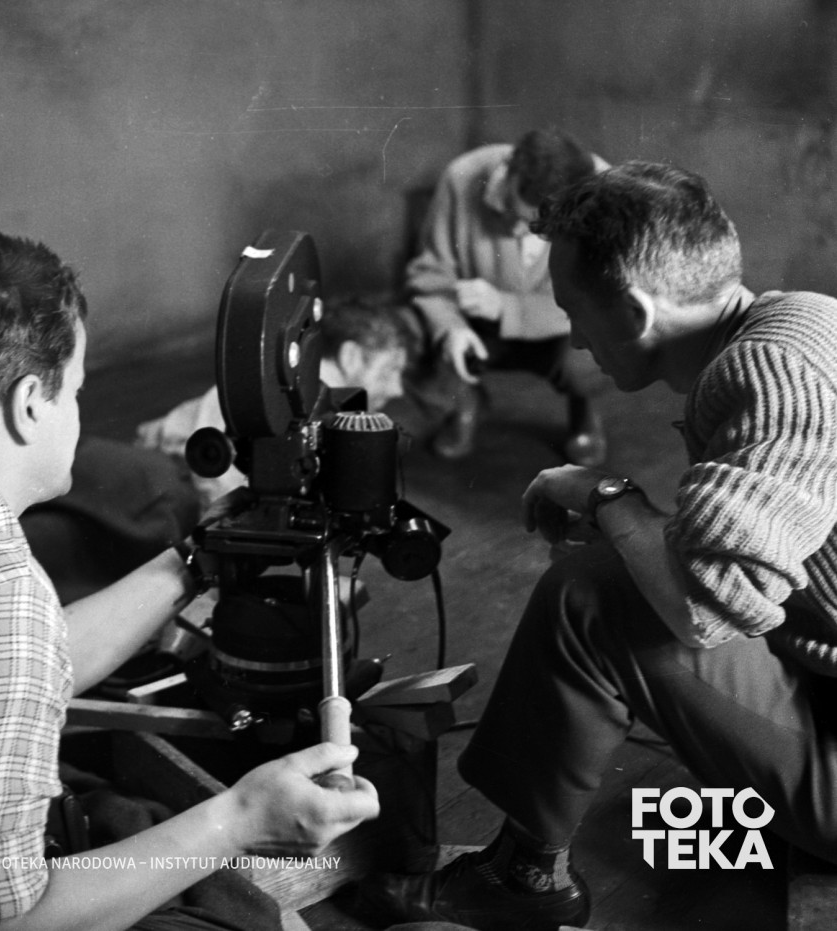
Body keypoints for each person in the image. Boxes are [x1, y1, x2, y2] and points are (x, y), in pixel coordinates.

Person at [361, 161, 837, 929]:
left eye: (573, 313)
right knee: (619, 565)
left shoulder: (765, 371)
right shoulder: (802, 318)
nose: (576, 340)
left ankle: (523, 882)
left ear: (636, 309)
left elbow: (704, 611)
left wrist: (610, 498)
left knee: (591, 593)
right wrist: (629, 526)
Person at [0, 230, 381, 931]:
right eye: (77, 390)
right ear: (29, 401)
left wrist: (195, 560)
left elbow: (12, 664)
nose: (77, 411)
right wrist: (241, 819)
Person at [405, 128, 610, 464]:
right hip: (476, 326)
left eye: (537, 228)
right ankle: (465, 401)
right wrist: (451, 328)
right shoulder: (463, 175)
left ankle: (583, 407)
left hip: (563, 329)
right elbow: (430, 273)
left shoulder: (604, 193)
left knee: (593, 352)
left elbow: (602, 302)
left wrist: (506, 307)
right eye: (512, 211)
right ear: (509, 169)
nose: (516, 231)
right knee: (411, 329)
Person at [135, 296, 412, 509]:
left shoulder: (324, 402)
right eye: (389, 371)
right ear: (351, 356)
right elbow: (217, 480)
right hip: (163, 476)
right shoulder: (286, 391)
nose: (397, 389)